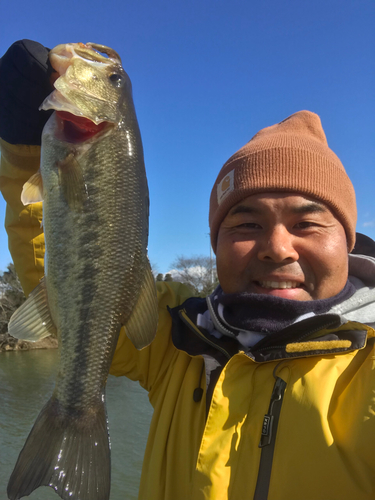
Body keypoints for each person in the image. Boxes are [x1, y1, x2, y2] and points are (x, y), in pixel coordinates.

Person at [1, 40, 375, 500]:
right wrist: (22, 154)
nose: (278, 248)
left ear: (349, 240)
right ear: (215, 242)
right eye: (247, 223)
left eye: (307, 223)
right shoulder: (178, 340)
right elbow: (70, 281)